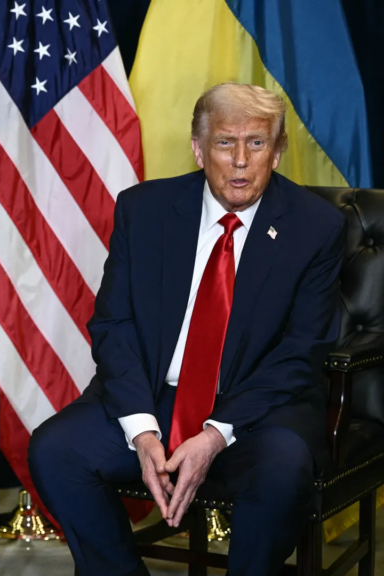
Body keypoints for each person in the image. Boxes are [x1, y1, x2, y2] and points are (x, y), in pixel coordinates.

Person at [28, 83, 345, 576]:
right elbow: (113, 324)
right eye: (225, 142)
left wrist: (216, 433)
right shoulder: (144, 209)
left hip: (259, 411)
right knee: (56, 449)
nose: (240, 161)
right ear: (199, 149)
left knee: (283, 471)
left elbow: (303, 351)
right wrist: (142, 432)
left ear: (278, 151)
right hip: (155, 398)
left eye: (257, 143)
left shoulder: (316, 227)